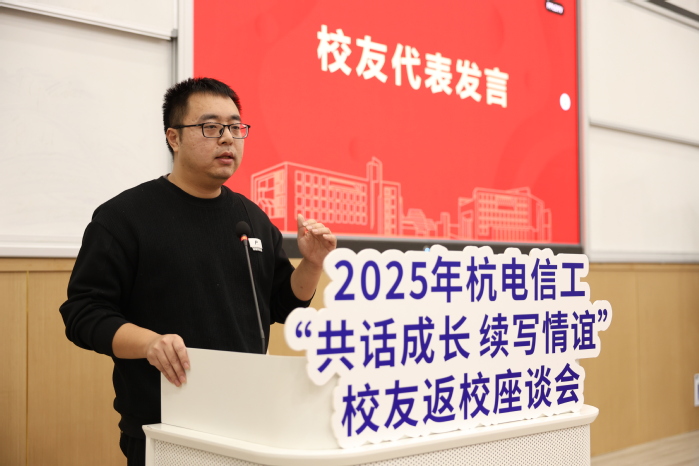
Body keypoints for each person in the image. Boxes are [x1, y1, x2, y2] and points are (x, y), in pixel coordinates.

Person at [59, 77, 336, 465]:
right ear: (173, 137)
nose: (227, 139)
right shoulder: (123, 217)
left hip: (247, 418)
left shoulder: (252, 219)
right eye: (210, 127)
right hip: (164, 426)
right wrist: (149, 343)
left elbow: (283, 306)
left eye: (235, 127)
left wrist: (312, 263)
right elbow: (83, 313)